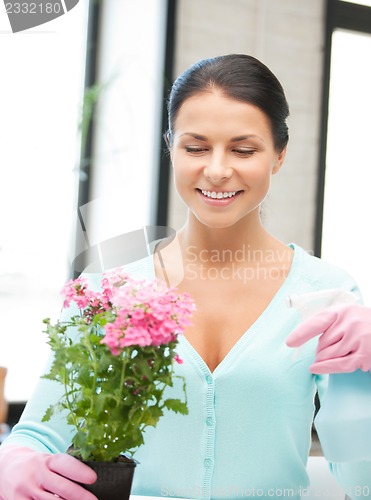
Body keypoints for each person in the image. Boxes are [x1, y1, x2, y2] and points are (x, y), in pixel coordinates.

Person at [1, 53, 371, 499]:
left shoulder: (328, 295)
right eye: (195, 148)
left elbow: (361, 480)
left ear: (279, 155)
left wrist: (365, 377)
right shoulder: (106, 294)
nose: (216, 169)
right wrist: (14, 460)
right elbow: (41, 435)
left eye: (243, 149)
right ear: (171, 148)